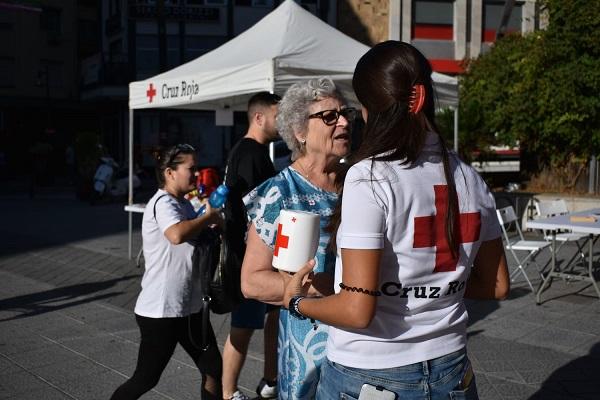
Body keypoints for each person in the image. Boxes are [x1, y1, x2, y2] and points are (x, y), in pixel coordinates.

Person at [280, 41, 510, 400]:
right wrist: (429, 295)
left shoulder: (370, 178)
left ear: (372, 109)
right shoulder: (470, 177)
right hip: (452, 371)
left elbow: (358, 311)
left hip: (372, 374)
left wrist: (294, 301)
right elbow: (495, 286)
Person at [241, 78, 355, 400]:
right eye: (330, 117)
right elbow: (252, 282)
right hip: (311, 356)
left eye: (345, 113)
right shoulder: (280, 192)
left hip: (364, 349)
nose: (344, 122)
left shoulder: (360, 183)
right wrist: (332, 286)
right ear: (300, 132)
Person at [111, 144, 223, 400]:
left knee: (213, 368)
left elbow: (200, 232)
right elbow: (176, 235)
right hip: (161, 310)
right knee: (146, 378)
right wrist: (208, 217)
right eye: (191, 169)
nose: (196, 174)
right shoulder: (163, 203)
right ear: (171, 173)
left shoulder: (184, 203)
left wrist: (214, 221)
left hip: (190, 307)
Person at [221, 92, 281, 400]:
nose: (281, 120)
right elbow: (252, 209)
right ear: (259, 117)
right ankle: (228, 392)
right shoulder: (252, 154)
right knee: (242, 328)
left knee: (274, 315)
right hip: (250, 258)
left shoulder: (245, 152)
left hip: (253, 256)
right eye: (277, 114)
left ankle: (270, 379)